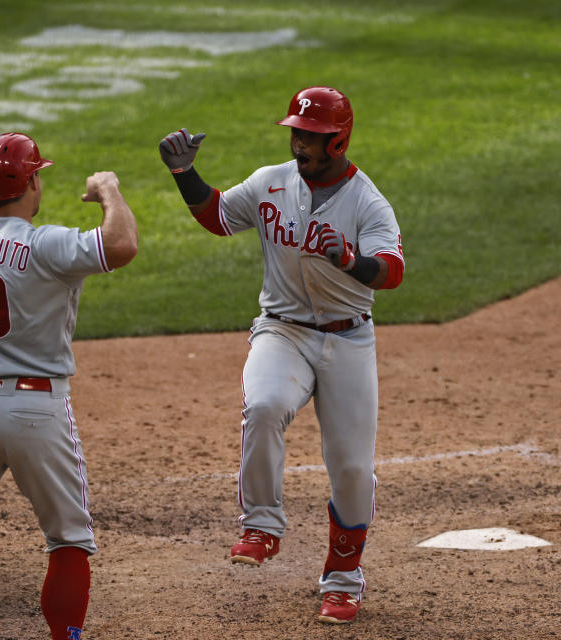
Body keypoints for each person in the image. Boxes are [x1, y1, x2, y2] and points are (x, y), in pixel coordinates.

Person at [159, 86, 405, 624]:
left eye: (310, 136)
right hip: (282, 331)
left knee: (352, 471)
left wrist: (352, 260)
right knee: (265, 404)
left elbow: (392, 270)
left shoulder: (367, 201)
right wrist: (185, 176)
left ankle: (343, 581)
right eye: (296, 132)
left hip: (347, 340)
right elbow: (219, 216)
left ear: (337, 141)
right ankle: (262, 526)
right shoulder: (271, 181)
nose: (298, 143)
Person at [0, 132, 138, 640]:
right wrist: (108, 190)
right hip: (37, 408)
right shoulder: (48, 244)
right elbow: (121, 243)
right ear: (31, 181)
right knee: (68, 541)